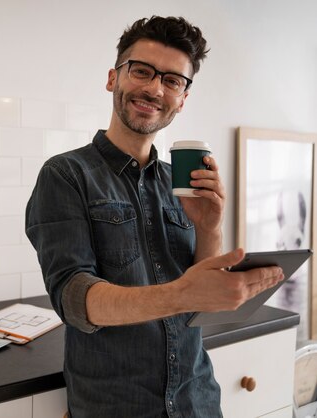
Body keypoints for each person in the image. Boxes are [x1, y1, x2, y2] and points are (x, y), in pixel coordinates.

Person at [25, 16, 285, 417]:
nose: (154, 88)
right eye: (142, 71)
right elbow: (75, 299)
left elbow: (202, 297)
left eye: (172, 80)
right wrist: (182, 294)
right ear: (113, 78)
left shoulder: (178, 183)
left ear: (182, 98)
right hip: (114, 408)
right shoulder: (66, 175)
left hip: (197, 400)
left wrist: (209, 225)